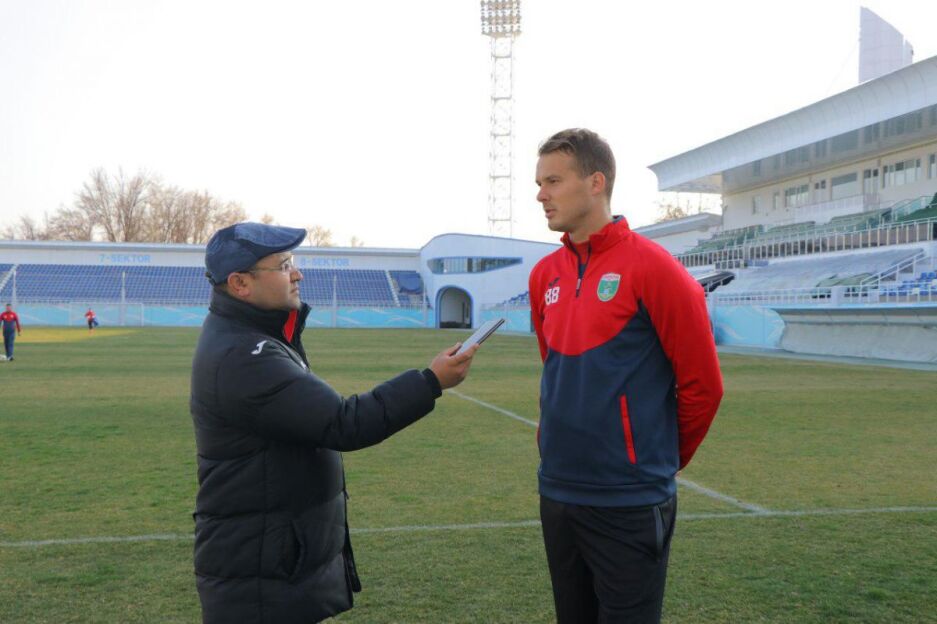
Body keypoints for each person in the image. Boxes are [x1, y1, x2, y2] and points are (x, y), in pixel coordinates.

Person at [189, 222, 479, 624]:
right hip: (259, 578)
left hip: (268, 562)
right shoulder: (245, 355)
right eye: (283, 265)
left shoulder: (250, 337)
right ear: (240, 283)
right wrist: (430, 382)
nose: (297, 274)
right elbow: (344, 422)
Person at [529, 128, 724, 623]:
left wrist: (653, 463)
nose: (541, 194)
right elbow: (554, 372)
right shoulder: (544, 275)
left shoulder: (654, 268)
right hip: (558, 491)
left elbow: (703, 386)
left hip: (629, 501)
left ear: (596, 183)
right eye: (539, 183)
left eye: (553, 181)